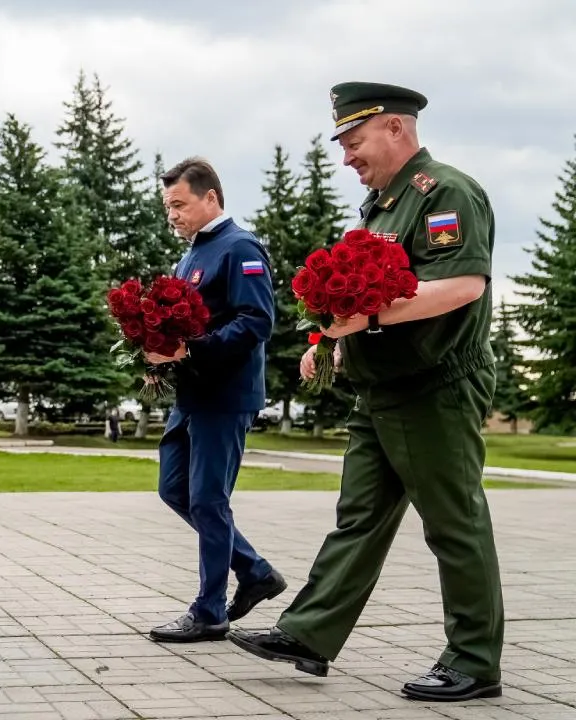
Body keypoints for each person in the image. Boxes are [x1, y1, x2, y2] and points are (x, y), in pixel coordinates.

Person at [227, 82, 504, 703]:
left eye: (354, 141)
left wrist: (368, 320)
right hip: (382, 387)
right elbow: (358, 298)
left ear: (396, 129)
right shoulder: (380, 206)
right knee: (358, 518)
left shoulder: (446, 192)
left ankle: (475, 661)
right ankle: (309, 633)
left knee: (454, 523)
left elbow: (461, 284)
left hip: (435, 386)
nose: (347, 156)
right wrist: (333, 341)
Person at [143, 157, 286, 643]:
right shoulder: (191, 255)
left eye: (179, 204)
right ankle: (255, 570)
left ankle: (209, 613)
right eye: (167, 207)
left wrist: (193, 348)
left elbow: (256, 320)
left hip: (225, 395)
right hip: (192, 394)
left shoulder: (238, 247)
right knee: (175, 489)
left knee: (208, 499)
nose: (173, 215)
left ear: (211, 198)